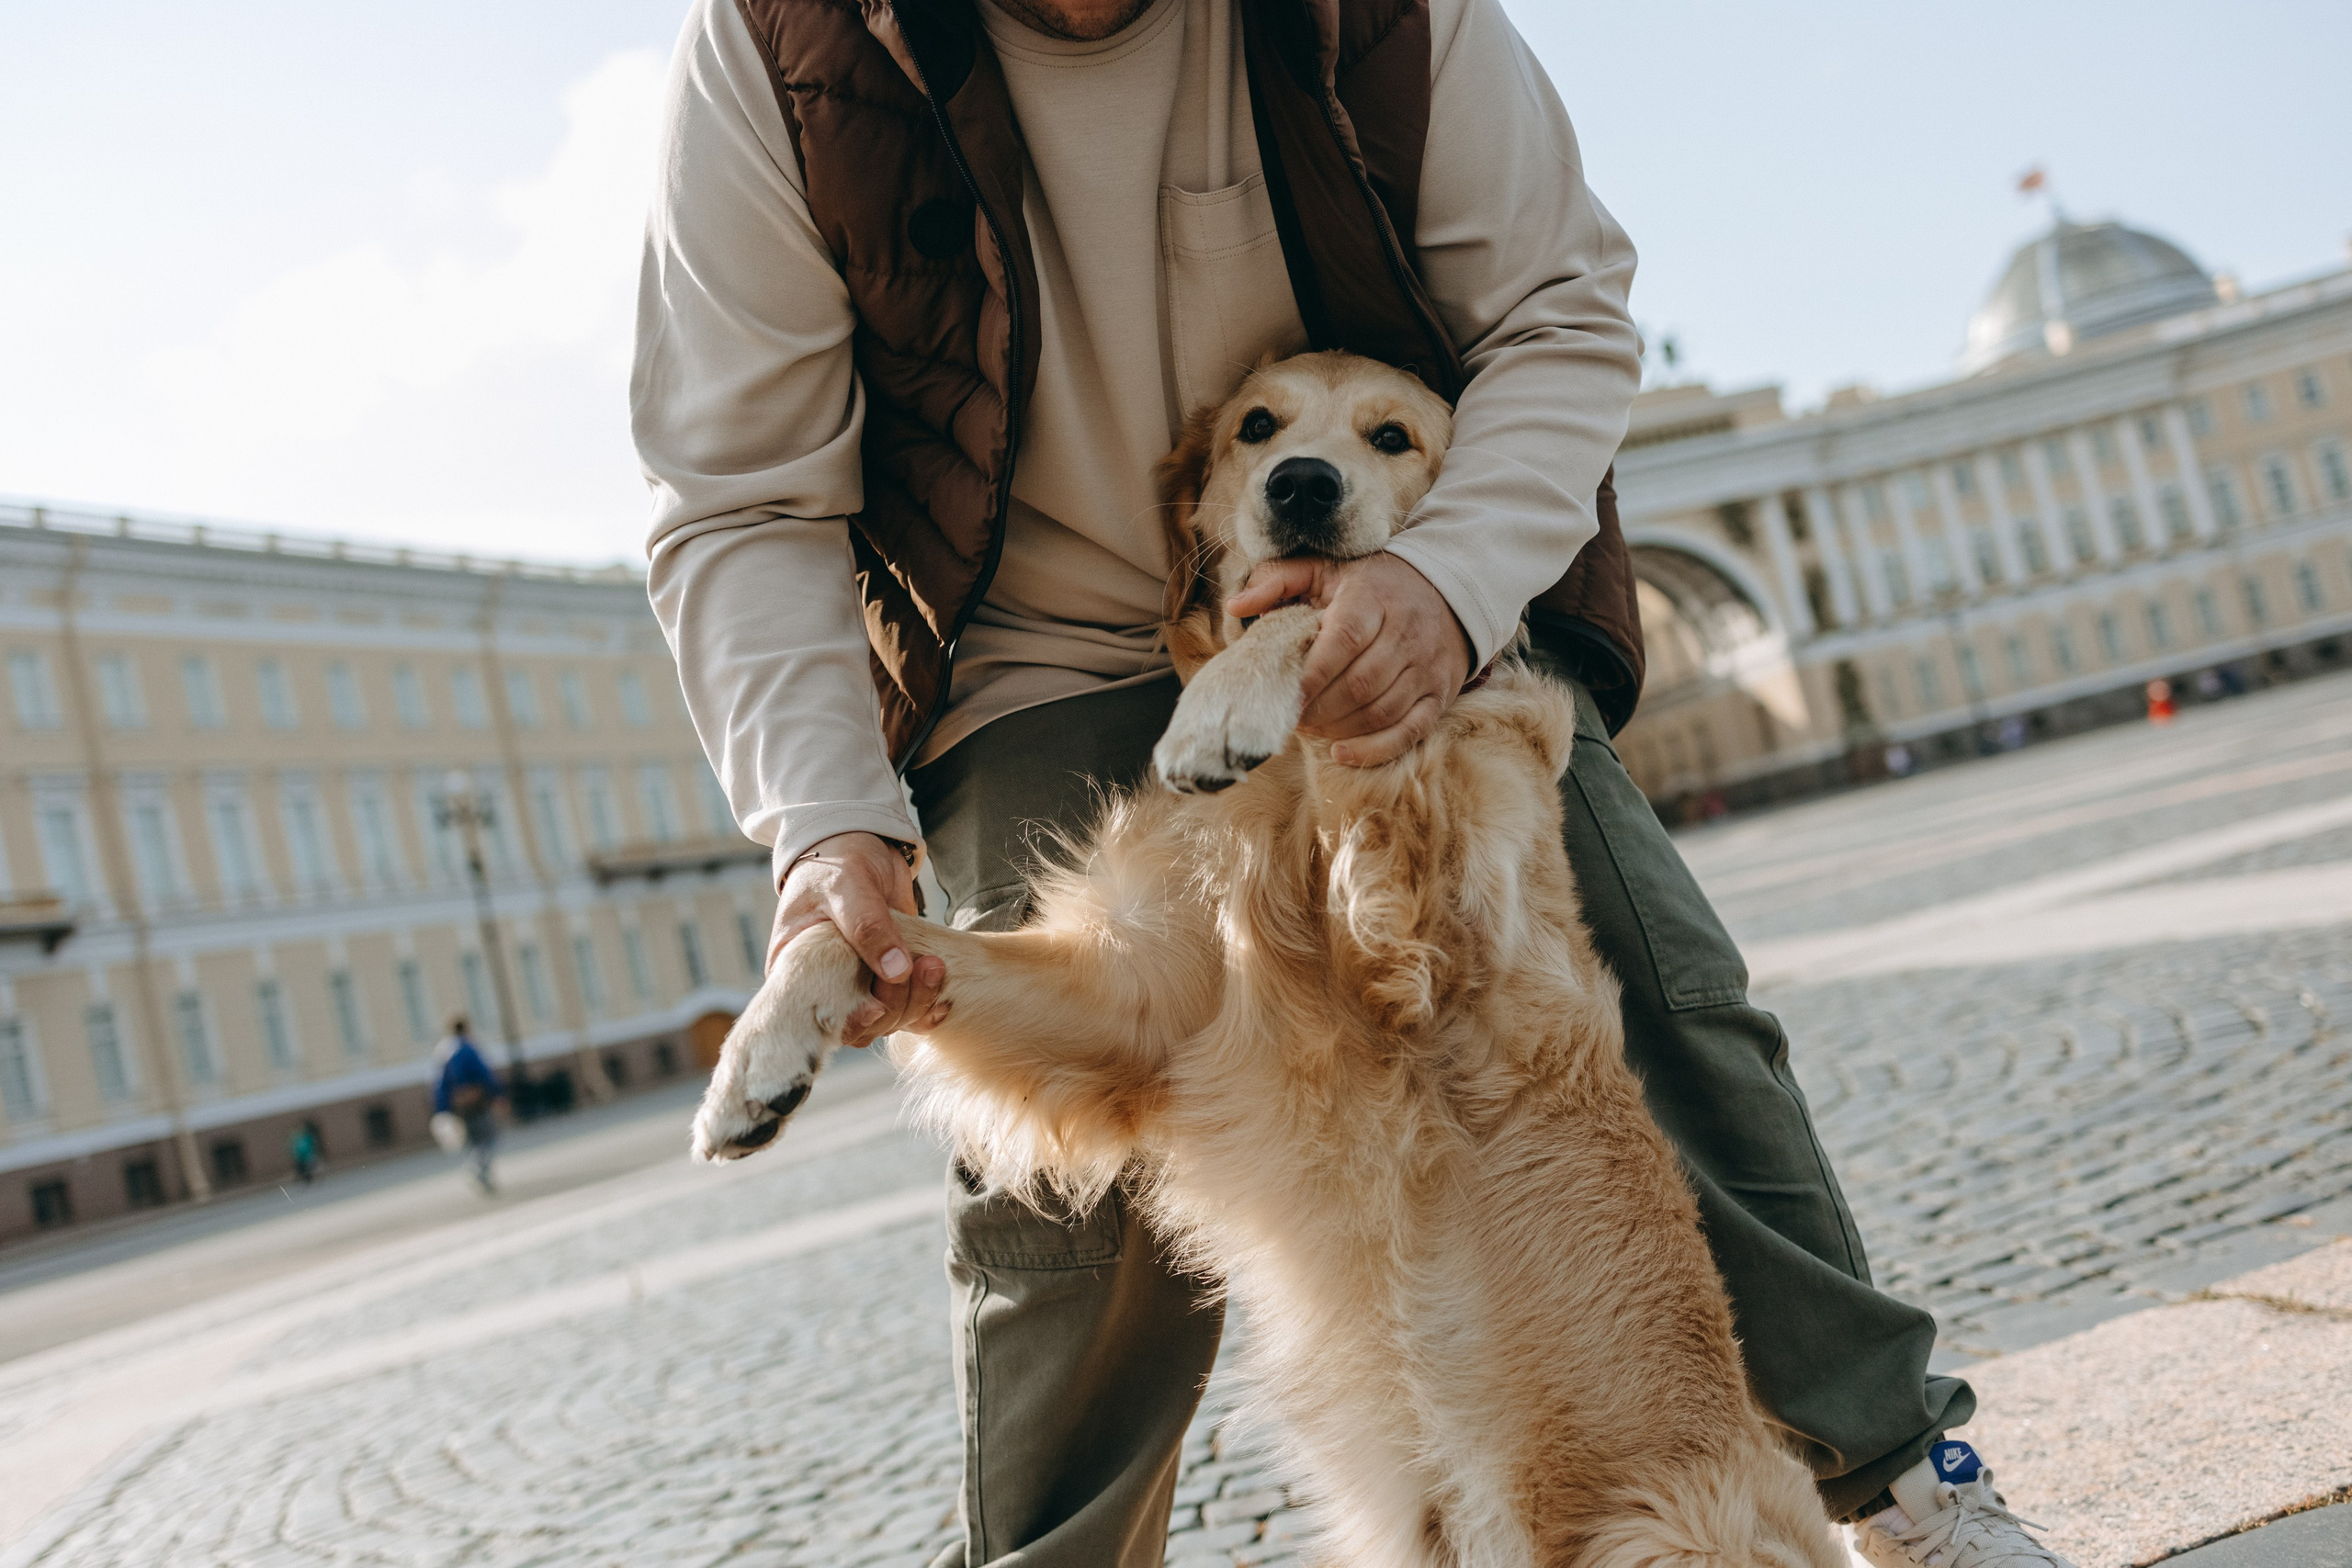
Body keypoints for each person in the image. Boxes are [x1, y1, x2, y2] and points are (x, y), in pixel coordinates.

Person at [633, 1, 2072, 1562]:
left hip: (1402, 576)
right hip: (1025, 643)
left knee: (1661, 986)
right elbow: (735, 495)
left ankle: (1906, 1477)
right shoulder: (776, 47)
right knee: (1051, 1219)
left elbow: (1560, 314)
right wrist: (824, 823)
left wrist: (1450, 586)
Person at [432, 1017, 503, 1195]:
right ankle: (478, 1169)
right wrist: (498, 1093)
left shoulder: (444, 1051)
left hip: (458, 1103)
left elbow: (440, 1082)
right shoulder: (468, 1048)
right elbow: (483, 1072)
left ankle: (480, 1172)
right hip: (476, 1099)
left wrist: (442, 1108)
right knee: (489, 1136)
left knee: (473, 1139)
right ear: (465, 1028)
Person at [288, 1118, 323, 1185]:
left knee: (310, 1167)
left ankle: (310, 1179)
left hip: (308, 1156)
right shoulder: (295, 1137)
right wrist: (295, 1155)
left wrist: (312, 1152)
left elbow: (311, 1145)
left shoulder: (307, 1136)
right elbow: (293, 1148)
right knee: (302, 1169)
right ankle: (305, 1180)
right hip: (301, 1157)